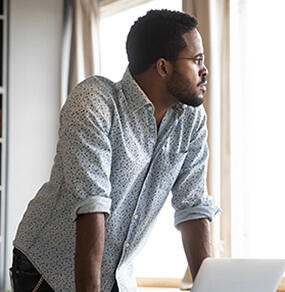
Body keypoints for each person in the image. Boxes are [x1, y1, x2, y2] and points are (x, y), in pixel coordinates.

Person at [11, 9, 220, 292]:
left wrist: (212, 287)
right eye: (197, 60)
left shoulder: (191, 121)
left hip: (116, 274)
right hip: (47, 269)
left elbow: (193, 207)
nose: (204, 70)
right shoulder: (95, 101)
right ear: (163, 67)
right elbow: (91, 205)